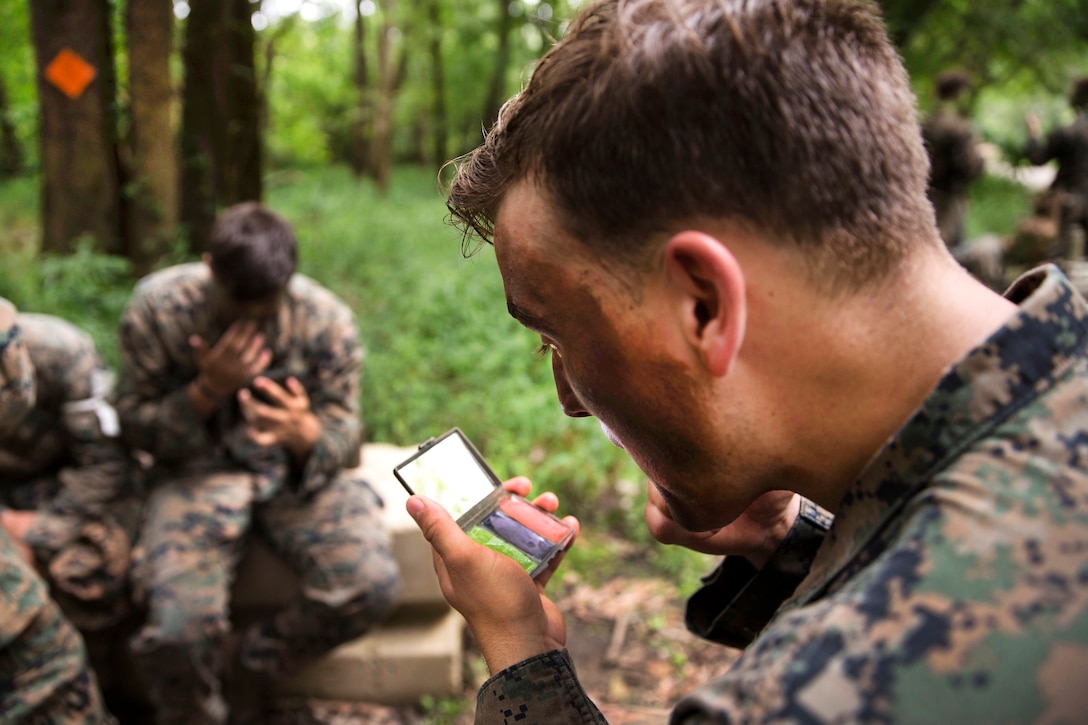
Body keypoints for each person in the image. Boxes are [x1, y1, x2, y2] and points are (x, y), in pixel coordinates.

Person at [405, 0, 1088, 721]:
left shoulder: (812, 698)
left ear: (703, 304)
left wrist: (521, 658)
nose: (569, 397)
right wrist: (792, 548)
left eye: (558, 339)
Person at [114, 202, 402, 724]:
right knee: (178, 632)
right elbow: (132, 427)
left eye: (264, 308)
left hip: (293, 481)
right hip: (194, 478)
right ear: (208, 266)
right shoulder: (158, 309)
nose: (249, 319)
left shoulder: (324, 319)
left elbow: (346, 435)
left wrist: (307, 434)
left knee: (369, 584)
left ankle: (243, 669)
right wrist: (205, 392)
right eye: (235, 303)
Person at [0, 297, 118, 724]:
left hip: (62, 498)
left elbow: (106, 464)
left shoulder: (62, 352)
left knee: (90, 572)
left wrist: (38, 530)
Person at [1024, 77, 1088, 260]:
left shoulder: (1067, 132)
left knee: (1060, 258)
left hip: (1067, 204)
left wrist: (1033, 134)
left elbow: (1037, 158)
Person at [921, 69, 985, 250]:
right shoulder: (960, 128)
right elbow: (970, 169)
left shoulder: (926, 123)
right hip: (950, 202)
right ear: (960, 94)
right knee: (950, 252)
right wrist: (981, 156)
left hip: (924, 196)